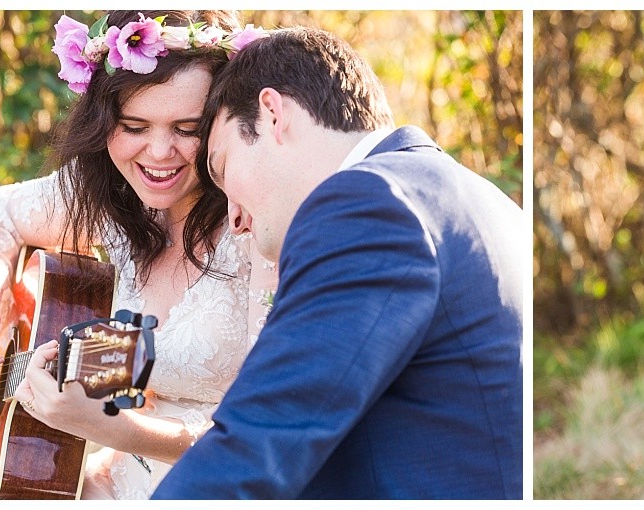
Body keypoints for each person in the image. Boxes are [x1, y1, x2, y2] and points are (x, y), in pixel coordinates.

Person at [149, 27, 525, 499]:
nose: (235, 218)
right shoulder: (473, 196)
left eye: (223, 169)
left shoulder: (367, 203)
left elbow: (262, 439)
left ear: (271, 113)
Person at [0, 10, 279, 499]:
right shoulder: (108, 197)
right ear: (103, 123)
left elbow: (267, 436)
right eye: (134, 126)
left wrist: (111, 428)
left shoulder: (260, 231)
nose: (160, 153)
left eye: (187, 128)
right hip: (105, 483)